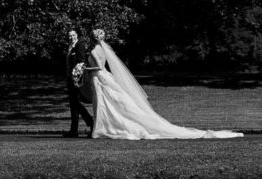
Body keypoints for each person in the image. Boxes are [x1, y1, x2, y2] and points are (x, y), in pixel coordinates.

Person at [85, 29, 244, 140]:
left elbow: (99, 66)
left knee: (103, 104)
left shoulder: (93, 51)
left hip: (99, 77)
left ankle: (100, 129)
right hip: (103, 77)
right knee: (109, 104)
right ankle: (101, 128)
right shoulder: (104, 50)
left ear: (92, 38)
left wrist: (85, 68)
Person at [63, 30, 95, 137]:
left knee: (76, 103)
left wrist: (76, 76)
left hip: (77, 79)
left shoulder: (79, 46)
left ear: (77, 36)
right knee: (73, 104)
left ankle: (90, 122)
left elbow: (82, 62)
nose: (71, 37)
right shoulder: (69, 47)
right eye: (69, 35)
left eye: (73, 35)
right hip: (69, 78)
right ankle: (74, 130)